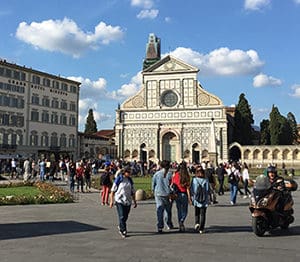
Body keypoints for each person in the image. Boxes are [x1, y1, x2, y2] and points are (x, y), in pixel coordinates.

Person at [110, 167, 137, 238]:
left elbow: (133, 191)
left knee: (125, 216)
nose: (130, 174)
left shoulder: (130, 180)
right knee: (121, 215)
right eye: (129, 172)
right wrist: (111, 201)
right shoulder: (119, 179)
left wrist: (135, 201)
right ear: (125, 172)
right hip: (119, 200)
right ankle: (123, 230)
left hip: (128, 200)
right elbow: (113, 190)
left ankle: (121, 225)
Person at [152, 160, 173, 233]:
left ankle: (160, 226)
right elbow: (172, 185)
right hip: (167, 194)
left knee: (160, 210)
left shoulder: (157, 174)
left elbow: (153, 184)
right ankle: (168, 223)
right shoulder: (170, 174)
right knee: (168, 211)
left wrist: (153, 191)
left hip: (158, 194)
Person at [171, 161, 191, 232]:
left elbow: (172, 184)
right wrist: (189, 198)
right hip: (184, 194)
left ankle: (180, 222)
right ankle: (182, 221)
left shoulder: (175, 174)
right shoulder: (186, 175)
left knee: (179, 210)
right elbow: (188, 188)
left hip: (177, 194)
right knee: (185, 210)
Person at [190, 167, 210, 234]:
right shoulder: (206, 180)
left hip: (196, 199)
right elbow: (207, 190)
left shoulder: (194, 180)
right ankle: (201, 228)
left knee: (197, 212)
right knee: (203, 214)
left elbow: (192, 189)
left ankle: (197, 223)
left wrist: (193, 197)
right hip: (204, 199)